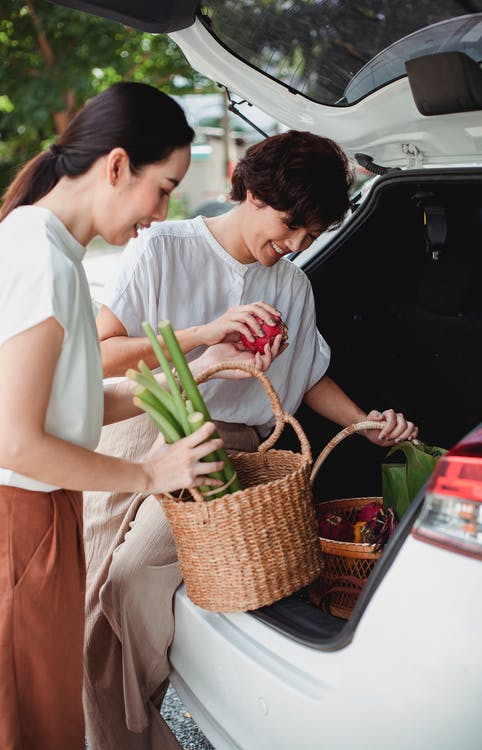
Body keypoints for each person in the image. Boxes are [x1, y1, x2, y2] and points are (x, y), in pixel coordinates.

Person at [84, 130, 418, 749]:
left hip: (226, 450)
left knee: (127, 580)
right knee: (90, 601)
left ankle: (125, 735)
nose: (293, 245)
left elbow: (311, 375)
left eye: (310, 237)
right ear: (253, 189)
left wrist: (365, 424)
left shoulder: (292, 285)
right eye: (291, 225)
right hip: (138, 426)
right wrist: (205, 336)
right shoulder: (163, 249)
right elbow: (101, 355)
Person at [0, 81, 277, 750]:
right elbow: (14, 440)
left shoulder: (50, 248)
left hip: (41, 514)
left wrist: (197, 375)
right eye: (164, 186)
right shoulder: (40, 257)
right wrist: (151, 474)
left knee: (45, 714)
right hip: (22, 517)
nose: (165, 210)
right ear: (117, 165)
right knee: (30, 724)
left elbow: (75, 403)